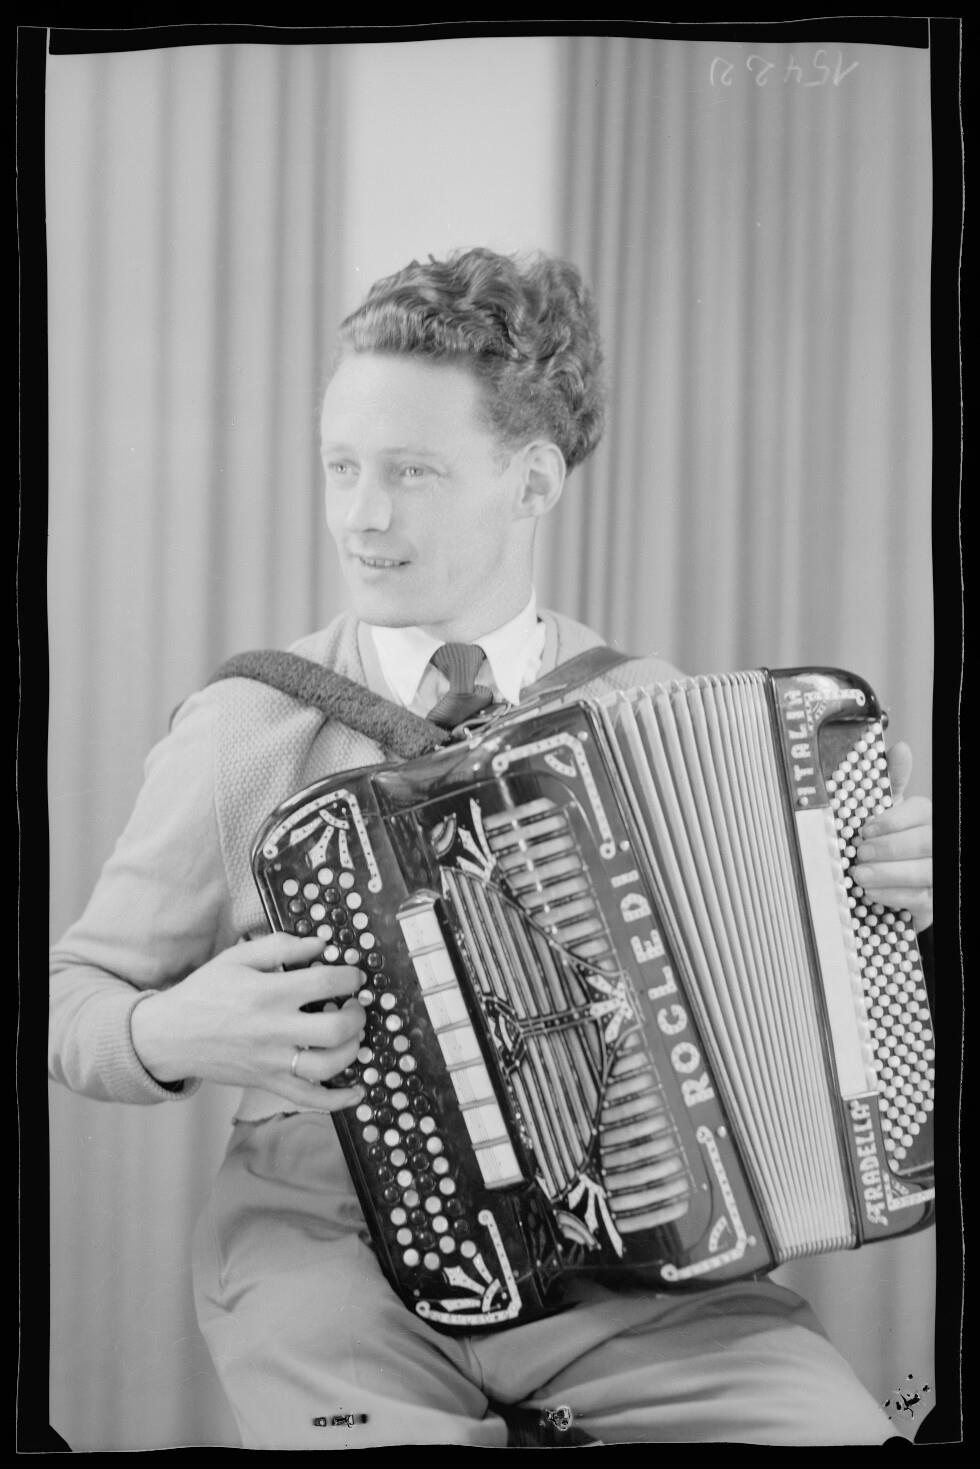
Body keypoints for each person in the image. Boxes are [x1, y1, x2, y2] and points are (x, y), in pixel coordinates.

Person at [49, 246, 935, 1448]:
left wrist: (884, 904)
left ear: (531, 482)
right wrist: (168, 1028)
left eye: (411, 472)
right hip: (332, 1256)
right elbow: (72, 1000)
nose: (361, 514)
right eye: (341, 465)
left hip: (640, 1268)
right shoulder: (249, 725)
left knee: (843, 1433)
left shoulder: (652, 709)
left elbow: (790, 1007)